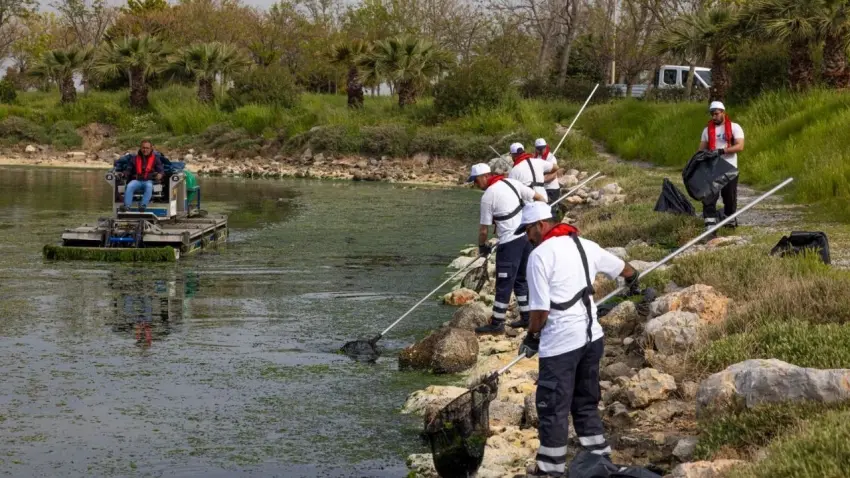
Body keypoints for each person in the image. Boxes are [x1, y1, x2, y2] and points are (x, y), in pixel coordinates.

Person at [513, 202, 639, 476]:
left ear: (541, 225)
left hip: (560, 344)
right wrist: (634, 283)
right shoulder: (585, 244)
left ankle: (550, 469)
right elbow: (625, 269)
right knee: (585, 402)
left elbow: (540, 311)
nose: (527, 237)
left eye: (528, 231)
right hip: (592, 339)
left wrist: (532, 336)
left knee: (553, 408)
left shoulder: (540, 256)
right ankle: (600, 460)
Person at [467, 163, 548, 334]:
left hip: (509, 243)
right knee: (521, 279)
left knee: (504, 284)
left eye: (475, 180)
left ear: (484, 177)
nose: (475, 184)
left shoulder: (488, 196)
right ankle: (526, 317)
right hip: (526, 239)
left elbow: (483, 230)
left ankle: (497, 323)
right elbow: (540, 198)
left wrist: (482, 247)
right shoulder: (512, 183)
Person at [698, 101, 745, 230]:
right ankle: (710, 223)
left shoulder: (735, 127)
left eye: (716, 114)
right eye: (712, 114)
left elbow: (740, 146)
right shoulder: (706, 131)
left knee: (729, 196)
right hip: (712, 168)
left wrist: (722, 151)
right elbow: (701, 150)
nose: (714, 117)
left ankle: (730, 219)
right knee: (709, 196)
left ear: (723, 112)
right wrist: (702, 158)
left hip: (729, 167)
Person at [117, 140, 165, 212]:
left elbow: (161, 170)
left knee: (149, 186)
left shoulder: (156, 159)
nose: (145, 150)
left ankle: (143, 205)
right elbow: (128, 170)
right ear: (140, 148)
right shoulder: (134, 159)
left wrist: (160, 175)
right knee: (130, 185)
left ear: (151, 148)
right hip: (137, 181)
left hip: (149, 181)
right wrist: (123, 174)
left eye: (147, 148)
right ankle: (127, 206)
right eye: (143, 148)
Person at [534, 138, 561, 206]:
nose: (541, 150)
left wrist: (541, 180)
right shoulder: (536, 157)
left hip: (551, 189)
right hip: (542, 189)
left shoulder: (551, 158)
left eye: (542, 148)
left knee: (552, 210)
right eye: (539, 148)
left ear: (546, 147)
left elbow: (553, 175)